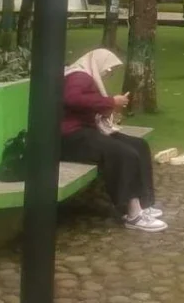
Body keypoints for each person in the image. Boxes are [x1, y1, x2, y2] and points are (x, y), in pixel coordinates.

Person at [60, 48, 167, 233]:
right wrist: (110, 102)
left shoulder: (86, 76)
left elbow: (85, 103)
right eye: (108, 68)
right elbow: (71, 98)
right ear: (96, 63)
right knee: (123, 153)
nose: (108, 73)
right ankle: (132, 213)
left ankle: (144, 203)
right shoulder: (79, 76)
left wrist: (108, 109)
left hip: (85, 131)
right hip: (71, 136)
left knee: (139, 145)